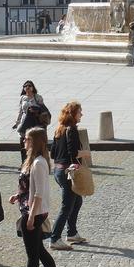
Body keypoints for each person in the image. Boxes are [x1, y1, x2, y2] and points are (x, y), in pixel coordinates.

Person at [7, 127, 66, 267]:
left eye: (27, 139)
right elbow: (29, 187)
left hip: (34, 212)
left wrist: (32, 216)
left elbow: (39, 193)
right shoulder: (31, 161)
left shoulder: (39, 162)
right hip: (29, 208)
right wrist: (18, 195)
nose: (24, 142)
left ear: (35, 142)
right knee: (39, 250)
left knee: (32, 254)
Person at [49, 101, 87, 251]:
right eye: (80, 112)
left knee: (76, 202)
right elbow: (73, 153)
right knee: (66, 206)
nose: (81, 114)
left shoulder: (59, 129)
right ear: (73, 114)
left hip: (58, 170)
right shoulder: (71, 129)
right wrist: (85, 153)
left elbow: (52, 153)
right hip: (67, 172)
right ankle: (54, 238)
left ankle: (71, 233)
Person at [12, 80, 46, 163]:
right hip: (24, 122)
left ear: (33, 87)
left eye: (29, 86)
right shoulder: (22, 98)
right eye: (25, 86)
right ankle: (24, 162)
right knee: (23, 141)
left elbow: (43, 109)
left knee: (34, 142)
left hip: (34, 122)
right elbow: (20, 111)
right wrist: (17, 122)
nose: (27, 88)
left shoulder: (38, 97)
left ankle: (34, 160)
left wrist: (35, 110)